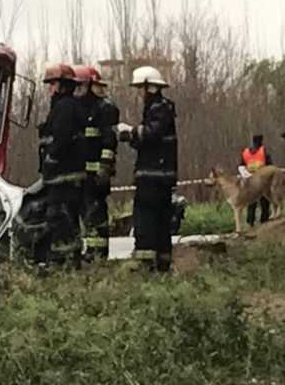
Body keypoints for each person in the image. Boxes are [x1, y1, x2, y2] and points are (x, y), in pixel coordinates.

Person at [117, 66, 178, 272]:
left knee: (146, 220)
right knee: (160, 222)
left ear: (149, 87)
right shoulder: (157, 108)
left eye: (140, 89)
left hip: (153, 178)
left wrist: (131, 130)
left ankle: (146, 264)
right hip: (160, 177)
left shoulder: (160, 108)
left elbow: (151, 133)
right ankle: (161, 265)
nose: (139, 94)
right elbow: (148, 141)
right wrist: (131, 137)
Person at [35, 63, 86, 267]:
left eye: (52, 84)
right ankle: (71, 259)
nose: (50, 88)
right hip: (67, 175)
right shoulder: (69, 106)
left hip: (62, 175)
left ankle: (61, 260)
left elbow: (61, 138)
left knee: (58, 217)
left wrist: (51, 158)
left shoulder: (64, 107)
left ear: (63, 86)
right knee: (69, 218)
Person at [72, 65, 120, 259]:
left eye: (81, 86)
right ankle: (90, 252)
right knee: (84, 214)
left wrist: (104, 168)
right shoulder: (78, 109)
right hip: (81, 173)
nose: (77, 90)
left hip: (96, 175)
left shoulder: (104, 108)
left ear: (91, 85)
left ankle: (98, 254)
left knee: (95, 213)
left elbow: (110, 141)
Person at [241, 134, 274, 226]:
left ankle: (250, 222)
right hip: (262, 180)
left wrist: (246, 176)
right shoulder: (264, 151)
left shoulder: (245, 152)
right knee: (264, 201)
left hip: (250, 180)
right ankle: (264, 221)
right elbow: (270, 166)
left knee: (251, 202)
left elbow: (241, 166)